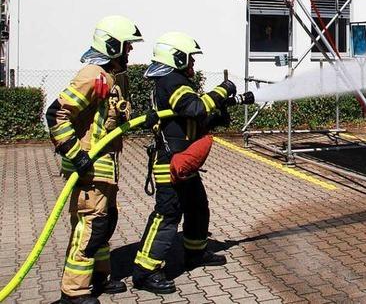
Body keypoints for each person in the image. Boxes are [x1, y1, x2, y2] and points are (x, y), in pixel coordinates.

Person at [132, 32, 254, 295]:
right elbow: (195, 108)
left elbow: (190, 118)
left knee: (198, 207)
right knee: (168, 214)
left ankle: (196, 253)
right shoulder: (172, 81)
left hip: (184, 160)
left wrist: (217, 114)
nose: (193, 64)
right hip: (171, 162)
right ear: (177, 58)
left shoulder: (171, 81)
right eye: (189, 59)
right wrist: (223, 90)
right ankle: (145, 271)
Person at [46, 15, 143, 304]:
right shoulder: (93, 76)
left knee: (104, 221)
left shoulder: (113, 77)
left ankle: (99, 276)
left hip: (104, 166)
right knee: (90, 227)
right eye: (127, 47)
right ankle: (73, 293)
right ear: (113, 45)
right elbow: (57, 115)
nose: (130, 52)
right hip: (88, 168)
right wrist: (77, 156)